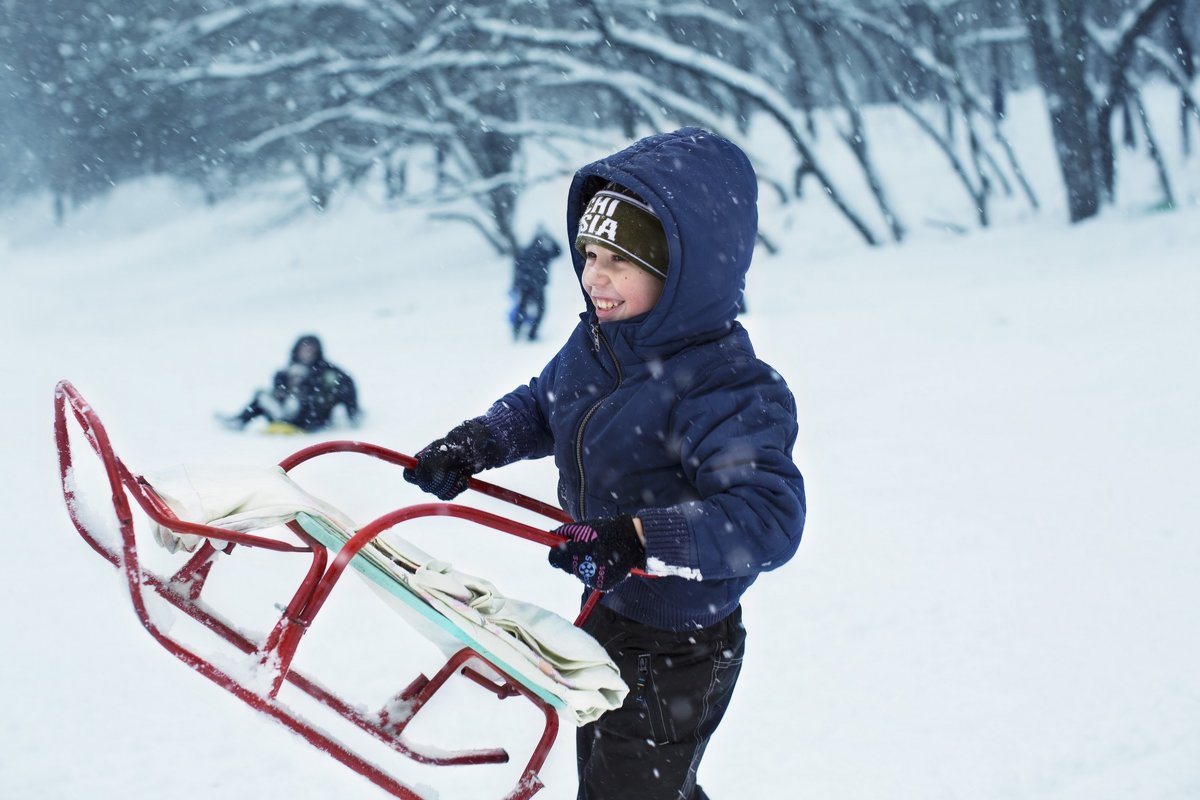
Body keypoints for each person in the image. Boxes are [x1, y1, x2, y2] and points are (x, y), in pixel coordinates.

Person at [402, 128, 805, 800]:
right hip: (613, 606)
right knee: (631, 784)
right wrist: (477, 443)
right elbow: (544, 404)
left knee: (627, 791)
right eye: (589, 254)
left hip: (683, 642)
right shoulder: (600, 343)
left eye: (619, 260)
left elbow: (765, 519)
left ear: (682, 270)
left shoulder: (727, 385)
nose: (594, 278)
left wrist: (639, 537)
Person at [219, 334, 360, 433]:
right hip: (285, 411)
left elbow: (347, 386)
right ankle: (240, 421)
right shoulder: (287, 370)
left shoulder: (326, 370)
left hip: (311, 417)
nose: (306, 353)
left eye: (310, 350)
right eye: (303, 349)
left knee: (332, 385)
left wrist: (352, 412)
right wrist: (284, 390)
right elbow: (278, 387)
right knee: (261, 395)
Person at [509, 226, 562, 341]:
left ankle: (517, 330)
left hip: (525, 285)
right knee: (541, 310)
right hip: (538, 286)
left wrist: (515, 284)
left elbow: (517, 268)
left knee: (522, 308)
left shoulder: (524, 251)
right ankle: (532, 334)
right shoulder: (543, 252)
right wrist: (548, 235)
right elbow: (558, 251)